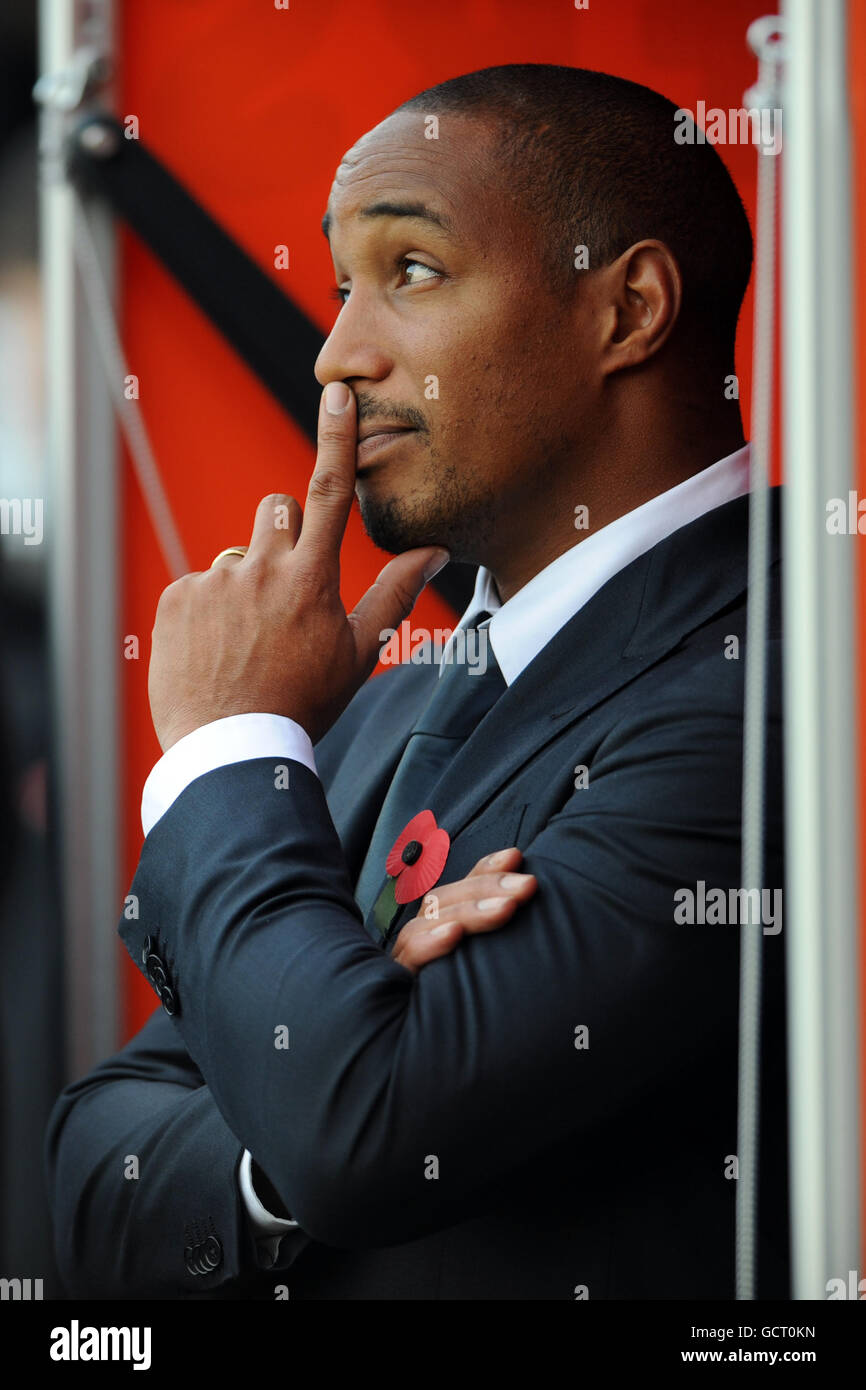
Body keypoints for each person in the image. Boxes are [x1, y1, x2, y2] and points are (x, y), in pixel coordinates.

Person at [45, 64, 788, 1300]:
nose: (336, 354)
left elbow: (369, 1129)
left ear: (629, 308)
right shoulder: (384, 699)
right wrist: (285, 1134)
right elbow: (89, 1157)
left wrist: (229, 744)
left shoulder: (775, 685)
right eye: (341, 287)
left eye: (412, 272)